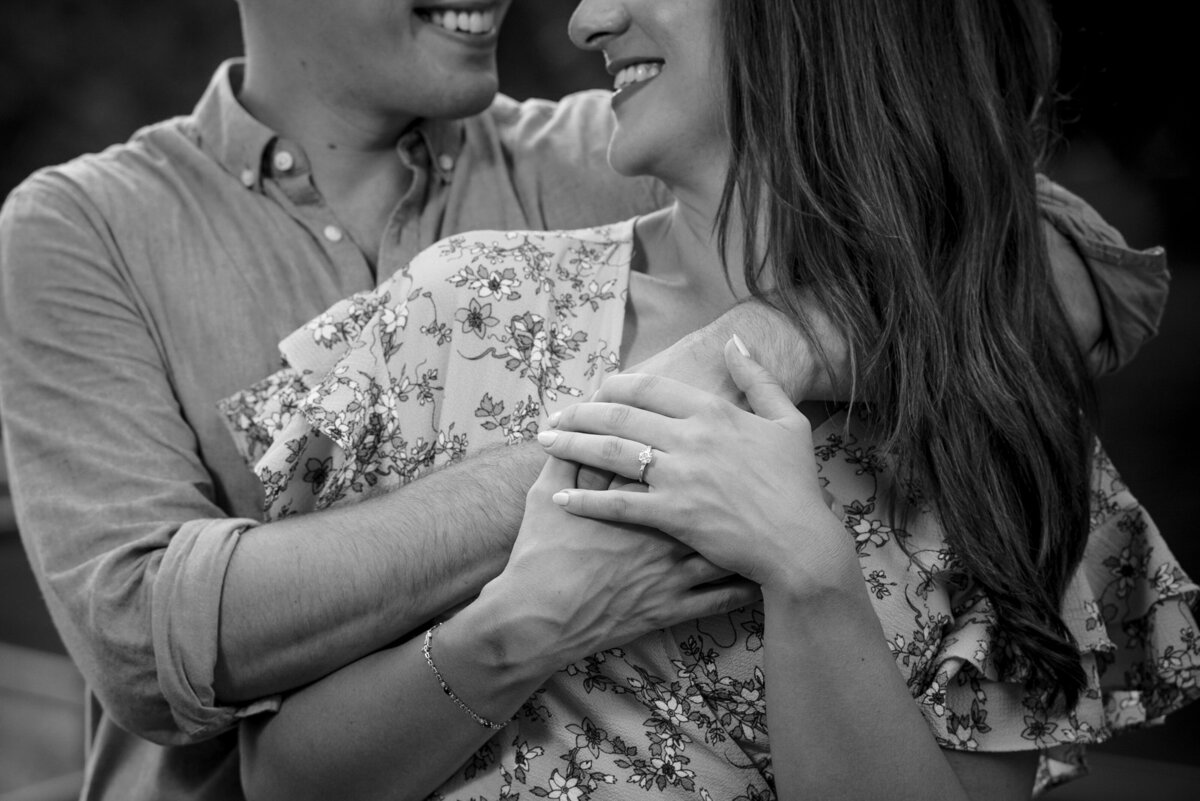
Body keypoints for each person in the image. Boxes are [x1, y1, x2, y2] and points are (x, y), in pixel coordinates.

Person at [0, 1, 1169, 800]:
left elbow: (1057, 258)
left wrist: (760, 356)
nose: (561, 12)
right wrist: (620, 463)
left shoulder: (617, 143)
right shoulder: (81, 227)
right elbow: (147, 642)